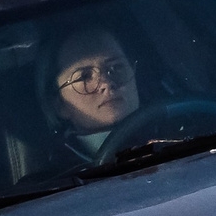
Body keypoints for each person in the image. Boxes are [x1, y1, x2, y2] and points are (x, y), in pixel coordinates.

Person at [44, 25, 142, 162]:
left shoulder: (179, 133)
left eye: (117, 67)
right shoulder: (55, 179)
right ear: (60, 105)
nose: (106, 83)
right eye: (84, 77)